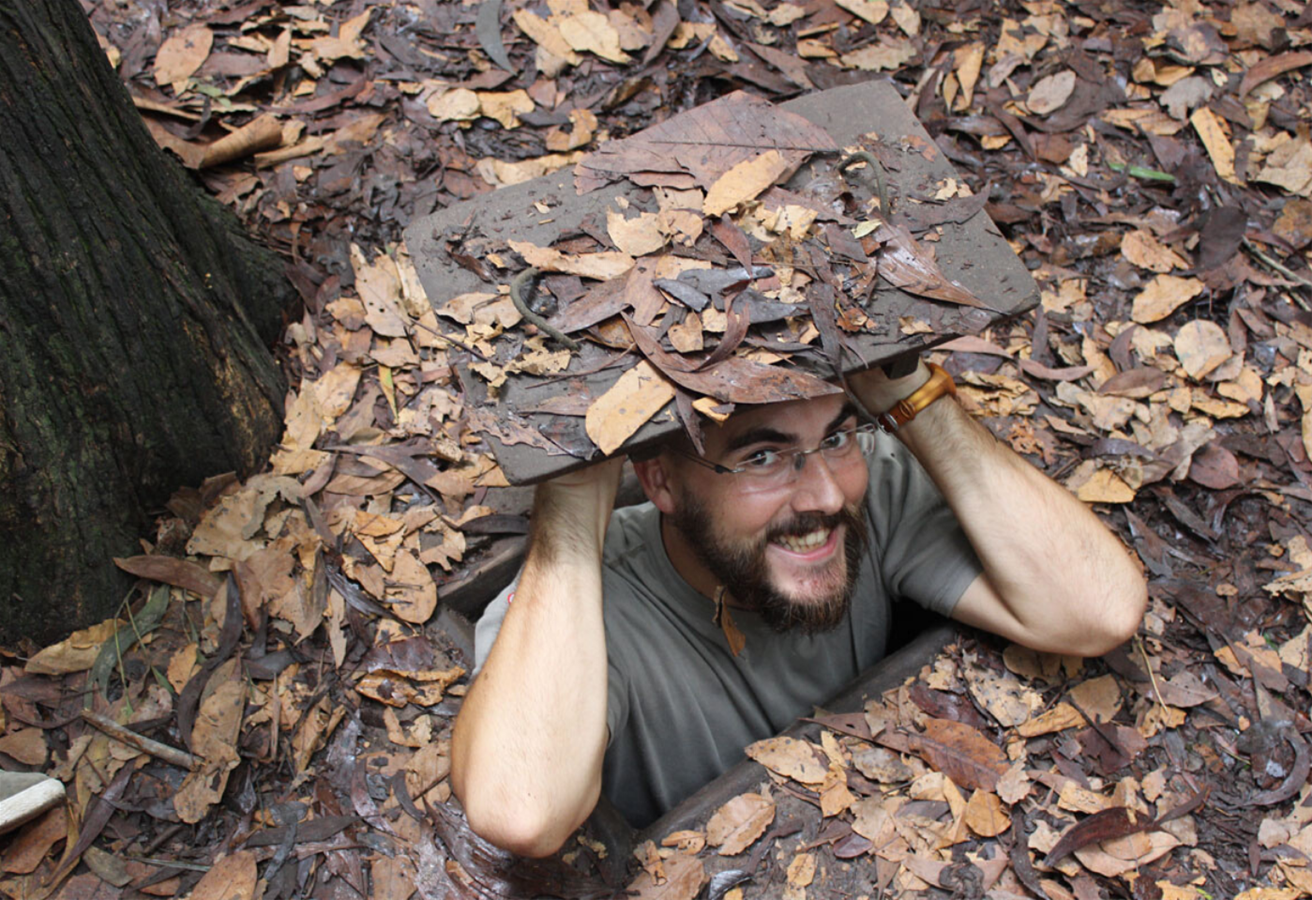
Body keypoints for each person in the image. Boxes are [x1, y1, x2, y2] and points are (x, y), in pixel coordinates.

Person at [450, 358, 1147, 857]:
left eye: (838, 438)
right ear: (657, 478)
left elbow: (1099, 610)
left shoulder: (875, 494)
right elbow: (521, 811)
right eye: (762, 458)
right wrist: (573, 497)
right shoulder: (572, 611)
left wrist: (909, 393)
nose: (825, 496)